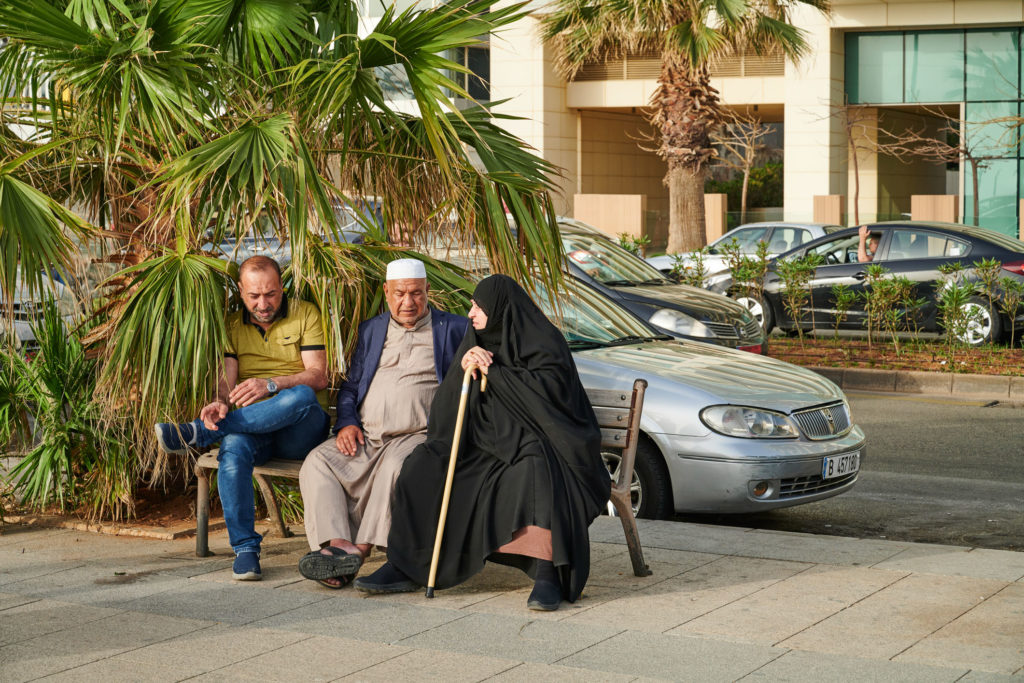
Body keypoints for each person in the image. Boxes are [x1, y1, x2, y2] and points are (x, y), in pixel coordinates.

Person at [353, 274, 610, 612]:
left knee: (538, 472)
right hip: (481, 444)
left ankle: (547, 573)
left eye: (479, 307)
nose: (471, 313)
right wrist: (463, 370)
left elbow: (551, 402)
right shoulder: (475, 341)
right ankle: (409, 565)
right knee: (422, 464)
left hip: (539, 442)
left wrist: (496, 373)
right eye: (472, 305)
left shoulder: (545, 343)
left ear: (501, 309)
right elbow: (446, 415)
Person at [154, 256, 329, 581]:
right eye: (254, 296)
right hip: (255, 426)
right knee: (233, 448)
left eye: (272, 294)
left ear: (282, 287)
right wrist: (220, 404)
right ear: (241, 290)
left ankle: (201, 434)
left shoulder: (305, 313)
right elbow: (227, 382)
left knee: (301, 396)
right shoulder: (232, 325)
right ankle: (246, 550)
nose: (263, 304)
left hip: (301, 430)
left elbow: (318, 376)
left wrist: (271, 384)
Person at [296, 259, 468, 588]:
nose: (408, 302)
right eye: (401, 293)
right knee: (317, 462)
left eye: (417, 293)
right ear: (387, 292)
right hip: (367, 436)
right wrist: (346, 422)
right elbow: (350, 387)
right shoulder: (372, 329)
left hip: (417, 435)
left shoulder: (454, 329)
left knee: (396, 467)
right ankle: (336, 546)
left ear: (428, 292)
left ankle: (358, 553)